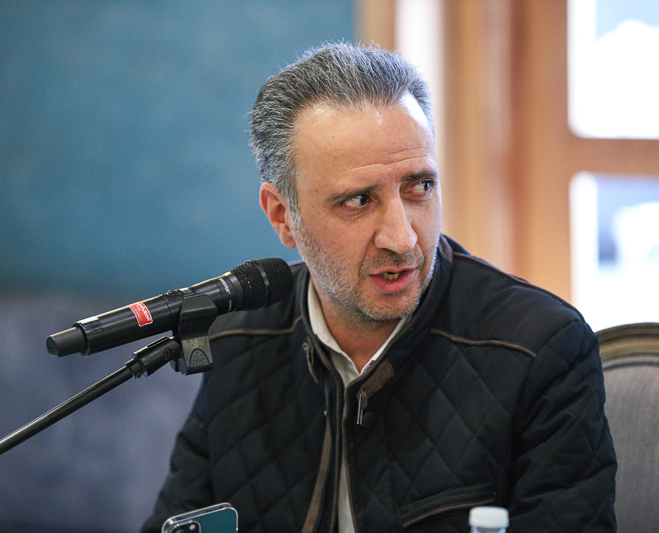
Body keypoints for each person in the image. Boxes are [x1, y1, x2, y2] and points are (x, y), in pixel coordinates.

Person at [141, 43, 616, 533]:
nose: (402, 237)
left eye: (419, 187)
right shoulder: (237, 339)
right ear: (283, 216)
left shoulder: (539, 348)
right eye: (358, 201)